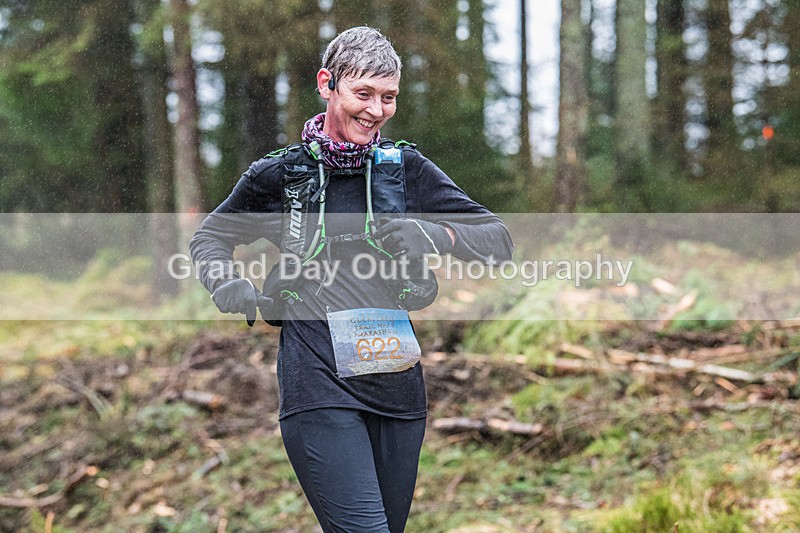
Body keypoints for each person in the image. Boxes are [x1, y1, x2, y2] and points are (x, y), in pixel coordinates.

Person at [189, 26, 513, 532]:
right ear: (327, 84)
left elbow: (498, 241)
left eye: (389, 98)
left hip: (398, 390)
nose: (376, 110)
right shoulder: (280, 175)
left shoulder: (405, 170)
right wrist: (226, 282)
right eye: (363, 94)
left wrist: (436, 234)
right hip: (317, 382)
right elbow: (208, 239)